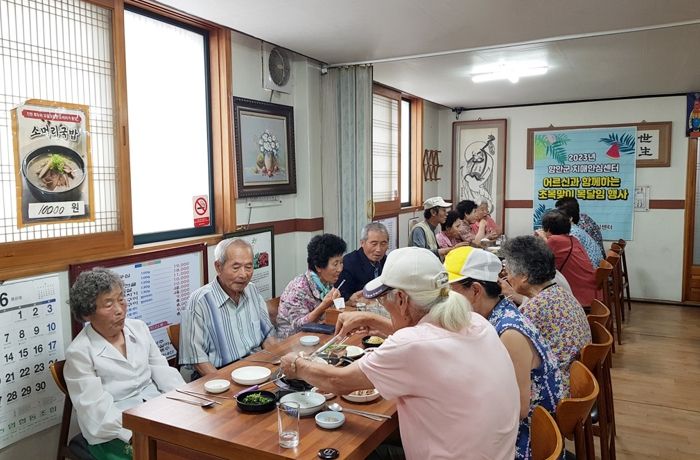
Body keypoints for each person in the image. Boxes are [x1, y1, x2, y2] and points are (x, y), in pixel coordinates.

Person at [280, 247, 520, 460]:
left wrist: (298, 364)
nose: (384, 307)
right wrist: (373, 319)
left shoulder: (411, 345)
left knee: (346, 449)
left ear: (403, 299)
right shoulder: (475, 321)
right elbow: (427, 337)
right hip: (493, 452)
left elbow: (338, 382)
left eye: (384, 301)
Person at [445, 247, 562, 459]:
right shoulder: (497, 312)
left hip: (526, 440)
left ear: (476, 291)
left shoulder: (509, 333)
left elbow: (519, 410)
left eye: (450, 292)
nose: (446, 300)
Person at [64, 268, 185, 460]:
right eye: (108, 304)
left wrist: (185, 403)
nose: (119, 310)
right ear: (88, 313)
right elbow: (97, 413)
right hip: (114, 431)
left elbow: (164, 373)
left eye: (121, 299)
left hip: (156, 412)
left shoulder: (138, 328)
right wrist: (138, 432)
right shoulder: (79, 353)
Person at [500, 236, 592, 396]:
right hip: (575, 381)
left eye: (508, 271)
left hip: (557, 391)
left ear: (524, 276)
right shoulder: (558, 291)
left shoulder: (534, 309)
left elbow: (508, 354)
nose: (507, 277)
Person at [179, 239, 275, 379]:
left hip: (256, 368)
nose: (243, 274)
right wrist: (224, 382)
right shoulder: (199, 302)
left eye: (248, 267)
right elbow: (197, 360)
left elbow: (267, 335)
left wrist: (275, 365)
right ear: (218, 267)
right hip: (219, 375)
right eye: (236, 267)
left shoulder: (252, 290)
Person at [276, 233, 346, 338]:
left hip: (320, 335)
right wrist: (324, 305)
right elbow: (299, 327)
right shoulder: (298, 289)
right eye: (335, 264)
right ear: (318, 266)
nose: (340, 269)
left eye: (341, 262)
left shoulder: (326, 283)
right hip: (292, 341)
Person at [537, 209, 597, 307]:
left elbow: (537, 262)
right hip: (590, 290)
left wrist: (542, 238)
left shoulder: (555, 240)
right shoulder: (572, 239)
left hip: (579, 295)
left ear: (547, 229)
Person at [336, 222, 388, 305]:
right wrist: (350, 300)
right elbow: (339, 298)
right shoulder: (349, 262)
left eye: (383, 244)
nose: (379, 249)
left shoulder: (387, 261)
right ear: (362, 243)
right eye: (374, 244)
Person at [555, 204, 603, 268]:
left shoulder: (573, 233)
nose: (558, 220)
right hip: (594, 268)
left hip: (590, 269)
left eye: (561, 217)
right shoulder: (575, 229)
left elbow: (566, 255)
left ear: (570, 218)